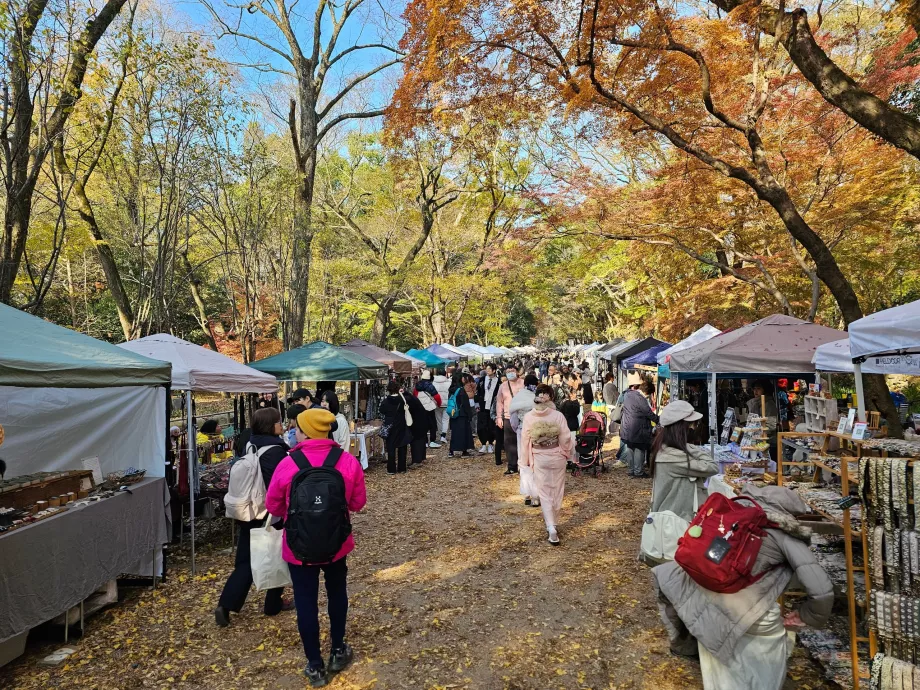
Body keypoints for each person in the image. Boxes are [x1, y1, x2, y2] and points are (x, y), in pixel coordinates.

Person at [653, 484, 832, 689]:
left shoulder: (731, 512)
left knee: (724, 670)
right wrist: (806, 615)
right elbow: (822, 590)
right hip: (740, 609)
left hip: (696, 590)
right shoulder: (785, 535)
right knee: (759, 664)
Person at [265, 409, 367, 687]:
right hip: (337, 543)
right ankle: (337, 649)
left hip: (299, 546)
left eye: (296, 428)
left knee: (306, 603)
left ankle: (314, 665)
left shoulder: (288, 464)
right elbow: (358, 503)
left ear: (305, 432)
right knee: (337, 595)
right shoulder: (346, 461)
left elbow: (273, 505)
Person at [215, 408, 292, 627]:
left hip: (246, 507)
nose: (282, 424)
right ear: (271, 425)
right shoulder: (276, 451)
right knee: (277, 554)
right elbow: (278, 483)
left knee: (245, 560)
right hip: (267, 510)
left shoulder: (249, 443)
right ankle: (272, 603)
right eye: (278, 421)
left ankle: (226, 603)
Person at [520, 384, 575, 545]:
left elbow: (525, 440)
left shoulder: (529, 416)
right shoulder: (557, 415)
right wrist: (567, 452)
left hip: (539, 456)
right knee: (557, 490)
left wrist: (525, 461)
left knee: (544, 492)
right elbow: (565, 437)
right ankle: (554, 523)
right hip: (557, 454)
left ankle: (551, 526)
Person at [648, 400, 719, 524]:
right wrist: (689, 447)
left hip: (674, 519)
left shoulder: (664, 450)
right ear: (680, 429)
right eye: (691, 425)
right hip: (678, 522)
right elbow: (712, 466)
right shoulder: (673, 458)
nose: (694, 429)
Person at [620, 375, 659, 478]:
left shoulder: (628, 394)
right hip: (638, 428)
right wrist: (659, 419)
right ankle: (638, 471)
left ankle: (631, 470)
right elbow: (649, 413)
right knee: (639, 449)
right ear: (647, 392)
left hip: (627, 427)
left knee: (630, 448)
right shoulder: (640, 399)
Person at [510, 374, 540, 506]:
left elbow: (513, 421)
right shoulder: (537, 398)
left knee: (524, 461)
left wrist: (518, 429)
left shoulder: (517, 398)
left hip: (522, 431)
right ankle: (536, 495)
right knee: (536, 461)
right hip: (537, 432)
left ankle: (527, 493)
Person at [495, 364, 525, 475]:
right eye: (508, 371)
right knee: (509, 442)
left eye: (512, 370)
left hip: (523, 416)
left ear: (517, 371)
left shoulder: (523, 383)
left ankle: (524, 466)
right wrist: (499, 417)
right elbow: (499, 402)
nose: (510, 372)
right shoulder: (503, 386)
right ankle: (512, 466)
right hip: (508, 417)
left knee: (524, 441)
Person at [379, 381, 413, 475]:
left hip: (389, 425)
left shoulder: (386, 401)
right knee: (402, 445)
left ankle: (391, 468)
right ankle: (402, 467)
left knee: (391, 447)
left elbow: (381, 410)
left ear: (388, 390)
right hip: (401, 424)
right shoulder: (402, 399)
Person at [447, 373, 474, 457]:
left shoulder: (451, 389)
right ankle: (464, 451)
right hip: (462, 414)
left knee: (455, 433)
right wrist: (470, 414)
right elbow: (465, 403)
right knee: (464, 433)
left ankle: (451, 451)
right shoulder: (461, 390)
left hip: (453, 413)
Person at [414, 371, 442, 448]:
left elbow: (415, 396)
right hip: (429, 407)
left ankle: (425, 442)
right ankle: (432, 441)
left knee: (423, 425)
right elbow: (436, 396)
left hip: (420, 408)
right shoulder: (430, 385)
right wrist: (439, 404)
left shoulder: (417, 385)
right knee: (432, 425)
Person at [476, 363, 500, 454]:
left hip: (492, 407)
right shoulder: (482, 380)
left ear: (494, 370)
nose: (488, 371)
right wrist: (477, 404)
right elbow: (477, 393)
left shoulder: (498, 381)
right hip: (483, 406)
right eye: (487, 369)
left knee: (491, 426)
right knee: (481, 426)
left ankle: (490, 443)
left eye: (489, 369)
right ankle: (483, 444)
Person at [433, 369, 452, 444]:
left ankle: (441, 433)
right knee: (445, 419)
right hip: (446, 403)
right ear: (445, 374)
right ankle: (443, 436)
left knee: (438, 419)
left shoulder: (434, 382)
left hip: (437, 403)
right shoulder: (449, 382)